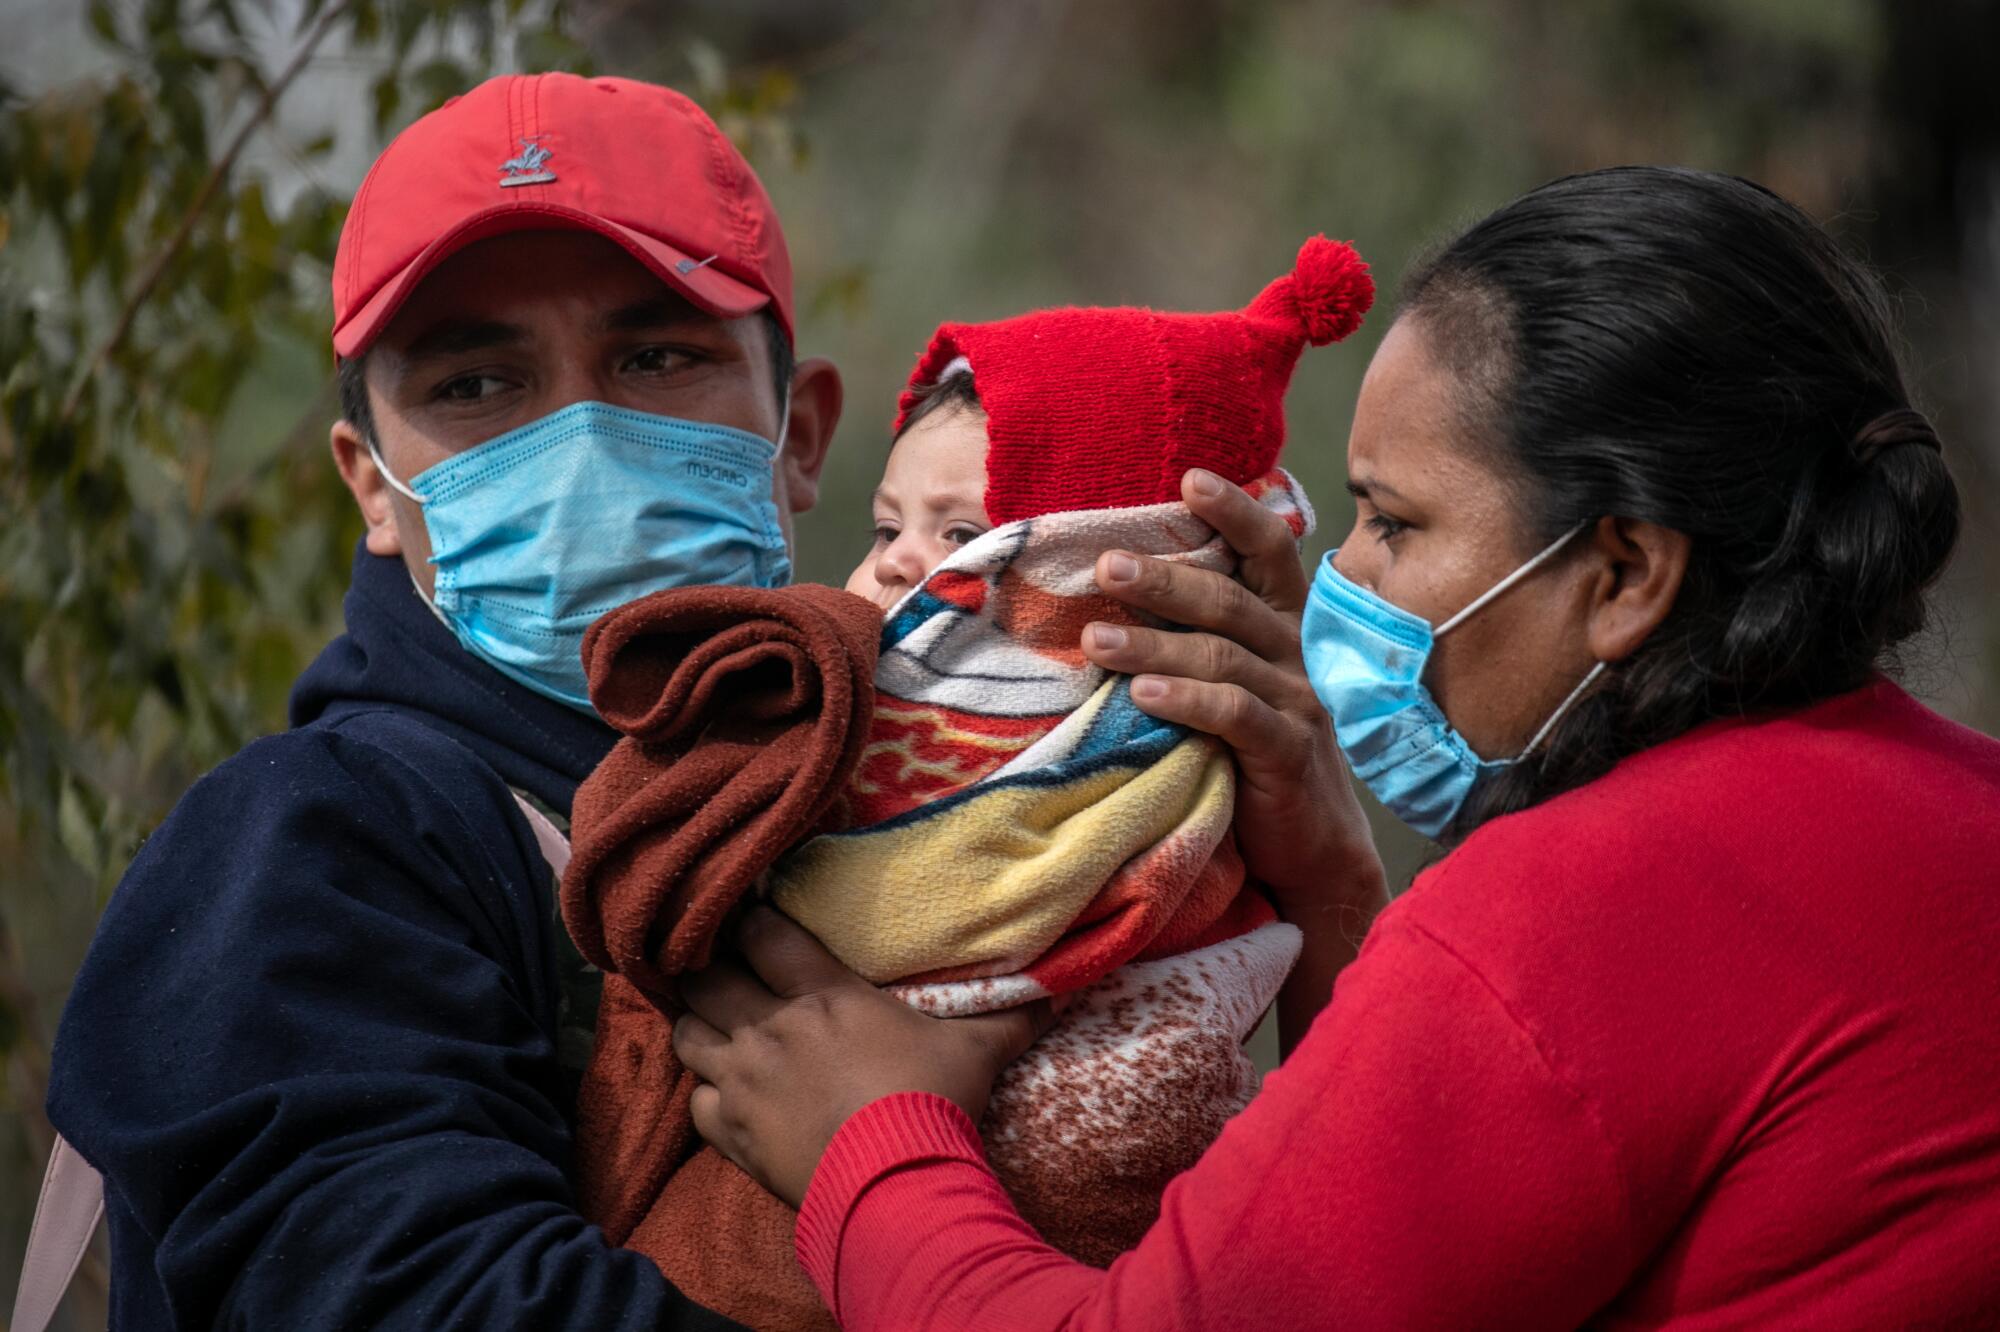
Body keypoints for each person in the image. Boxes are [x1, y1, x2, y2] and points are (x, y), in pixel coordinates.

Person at [41, 73, 1371, 1329]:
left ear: (799, 440)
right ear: (373, 486)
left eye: (657, 358)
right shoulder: (314, 847)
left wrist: (1315, 881)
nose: (580, 438)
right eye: (476, 384)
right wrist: (899, 1168)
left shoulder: (931, 798)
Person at [668, 166, 2000, 1329]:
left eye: (1395, 523)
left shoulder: (1577, 915)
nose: (1341, 578)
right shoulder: (1956, 807)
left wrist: (870, 1142)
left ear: (1627, 573)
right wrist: (1326, 896)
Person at [551, 242, 1374, 1330]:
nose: (895, 565)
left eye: (963, 536)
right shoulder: (817, 707)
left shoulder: (1183, 804)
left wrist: (1326, 889)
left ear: (1090, 572)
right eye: (887, 527)